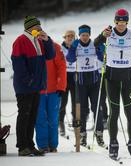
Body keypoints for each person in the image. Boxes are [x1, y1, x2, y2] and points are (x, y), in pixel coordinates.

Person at [94, 8, 131, 159]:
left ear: (127, 22)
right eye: (118, 22)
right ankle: (113, 143)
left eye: (123, 22)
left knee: (130, 112)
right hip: (111, 79)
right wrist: (102, 35)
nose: (121, 25)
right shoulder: (109, 32)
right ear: (115, 22)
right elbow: (95, 43)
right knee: (114, 112)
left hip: (127, 79)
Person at [11, 16, 55, 156]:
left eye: (40, 27)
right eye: (37, 27)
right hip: (25, 87)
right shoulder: (20, 41)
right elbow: (18, 65)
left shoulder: (39, 40)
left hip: (37, 86)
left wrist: (47, 40)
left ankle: (30, 145)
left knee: (32, 116)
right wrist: (28, 80)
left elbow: (50, 55)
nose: (39, 29)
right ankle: (22, 146)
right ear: (30, 28)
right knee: (24, 115)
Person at [67, 24, 105, 147]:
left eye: (87, 35)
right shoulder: (76, 45)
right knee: (82, 109)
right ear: (79, 35)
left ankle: (99, 134)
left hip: (94, 80)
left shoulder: (94, 43)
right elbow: (70, 59)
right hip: (81, 82)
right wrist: (72, 49)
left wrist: (100, 49)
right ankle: (82, 135)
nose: (84, 37)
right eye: (82, 35)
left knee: (97, 107)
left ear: (90, 35)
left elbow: (102, 57)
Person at [35, 42, 66, 153]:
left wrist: (61, 86)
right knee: (40, 118)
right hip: (38, 91)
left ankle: (53, 145)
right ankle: (43, 145)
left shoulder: (55, 47)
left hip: (54, 90)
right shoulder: (32, 45)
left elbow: (62, 67)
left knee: (53, 118)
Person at [59, 30, 76, 136]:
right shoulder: (60, 49)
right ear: (64, 38)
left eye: (72, 36)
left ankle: (76, 123)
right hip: (64, 77)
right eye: (68, 36)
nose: (70, 38)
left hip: (74, 76)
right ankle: (60, 123)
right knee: (63, 103)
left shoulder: (76, 47)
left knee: (75, 102)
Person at [96, 43, 109, 129]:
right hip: (95, 74)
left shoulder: (103, 46)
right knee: (96, 99)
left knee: (102, 98)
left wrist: (98, 52)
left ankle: (105, 118)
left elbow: (103, 58)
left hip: (104, 75)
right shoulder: (94, 45)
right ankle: (98, 119)